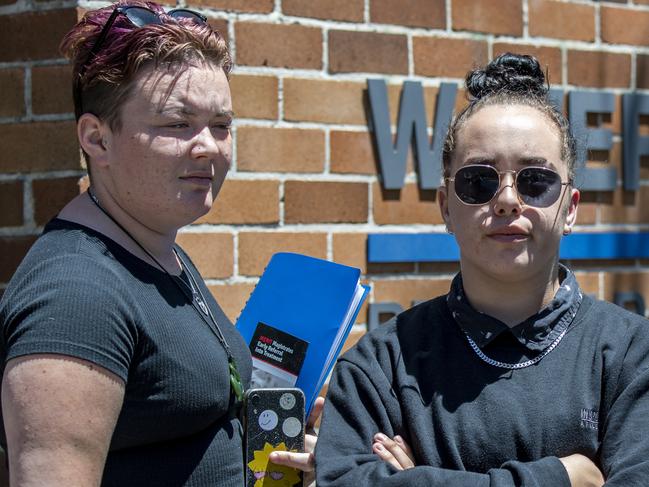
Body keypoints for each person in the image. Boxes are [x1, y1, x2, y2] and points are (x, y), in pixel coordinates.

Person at [0, 2, 321, 485]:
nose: (209, 146)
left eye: (221, 125)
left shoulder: (153, 246)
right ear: (97, 139)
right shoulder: (75, 295)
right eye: (177, 124)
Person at [315, 53, 649, 486]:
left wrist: (422, 480)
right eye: (479, 181)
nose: (508, 199)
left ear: (570, 209)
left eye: (535, 181)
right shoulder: (381, 366)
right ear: (446, 208)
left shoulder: (630, 356)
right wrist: (559, 479)